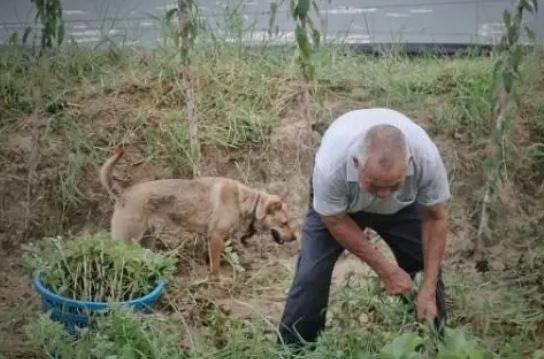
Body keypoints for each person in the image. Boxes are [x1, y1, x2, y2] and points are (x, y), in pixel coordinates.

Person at [277, 108, 450, 348]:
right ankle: (295, 350)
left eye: (393, 184)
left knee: (425, 269)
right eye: (375, 184)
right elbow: (334, 220)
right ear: (356, 163)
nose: (382, 194)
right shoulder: (332, 165)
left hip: (402, 209)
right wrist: (386, 270)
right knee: (311, 276)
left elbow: (436, 217)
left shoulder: (426, 160)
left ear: (409, 164)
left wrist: (428, 289)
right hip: (341, 209)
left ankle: (434, 344)